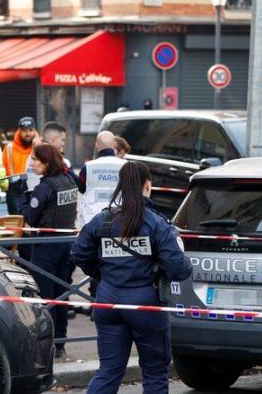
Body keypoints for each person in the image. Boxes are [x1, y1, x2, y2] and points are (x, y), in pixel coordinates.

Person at [71, 161, 192, 394]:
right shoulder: (157, 223)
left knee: (108, 371)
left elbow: (79, 253)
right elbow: (180, 270)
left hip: (107, 299)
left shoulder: (103, 220)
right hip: (146, 304)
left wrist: (103, 274)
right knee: (155, 373)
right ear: (147, 185)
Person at [11, 143, 79, 359]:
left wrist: (21, 197)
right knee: (61, 295)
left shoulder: (45, 187)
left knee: (44, 295)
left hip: (47, 246)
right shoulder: (68, 181)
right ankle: (60, 341)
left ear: (47, 162)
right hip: (67, 243)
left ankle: (44, 343)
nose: (32, 163)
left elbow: (30, 217)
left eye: (35, 159)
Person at [78, 131, 127, 225]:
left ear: (96, 145)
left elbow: (82, 189)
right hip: (120, 219)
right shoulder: (126, 166)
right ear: (114, 145)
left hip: (91, 219)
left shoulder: (87, 167)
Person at [2, 117, 38, 214]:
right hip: (14, 190)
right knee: (16, 223)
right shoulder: (9, 148)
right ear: (19, 131)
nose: (28, 134)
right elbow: (2, 171)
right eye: (24, 130)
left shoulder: (39, 148)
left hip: (35, 189)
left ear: (34, 130)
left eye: (30, 130)